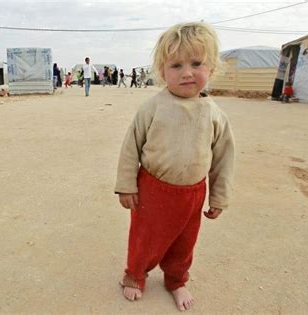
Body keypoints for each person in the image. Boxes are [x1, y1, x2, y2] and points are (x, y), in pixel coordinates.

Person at [115, 22, 235, 311]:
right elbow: (131, 146)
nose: (187, 73)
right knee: (145, 237)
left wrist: (218, 197)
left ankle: (176, 280)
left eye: (196, 63)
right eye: (176, 65)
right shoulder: (153, 107)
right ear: (162, 71)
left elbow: (223, 159)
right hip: (152, 189)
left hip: (192, 194)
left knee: (184, 241)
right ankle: (135, 274)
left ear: (212, 69)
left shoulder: (215, 114)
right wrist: (126, 185)